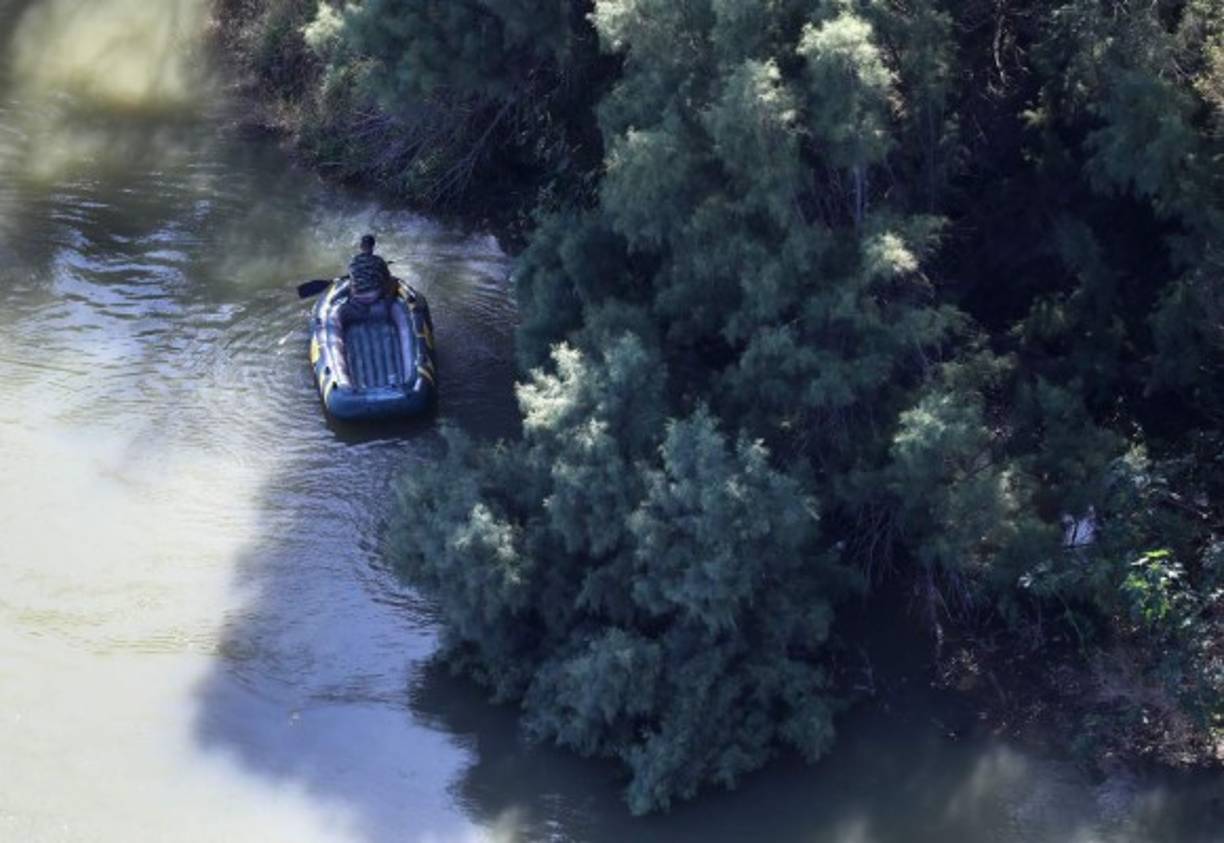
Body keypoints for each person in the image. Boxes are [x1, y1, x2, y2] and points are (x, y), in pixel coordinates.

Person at [345, 234, 393, 316]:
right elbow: (387, 277)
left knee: (351, 283)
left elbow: (352, 275)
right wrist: (383, 266)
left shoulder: (354, 261)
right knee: (393, 281)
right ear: (373, 246)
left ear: (361, 246)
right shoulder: (378, 260)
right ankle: (389, 305)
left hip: (357, 296)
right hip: (374, 296)